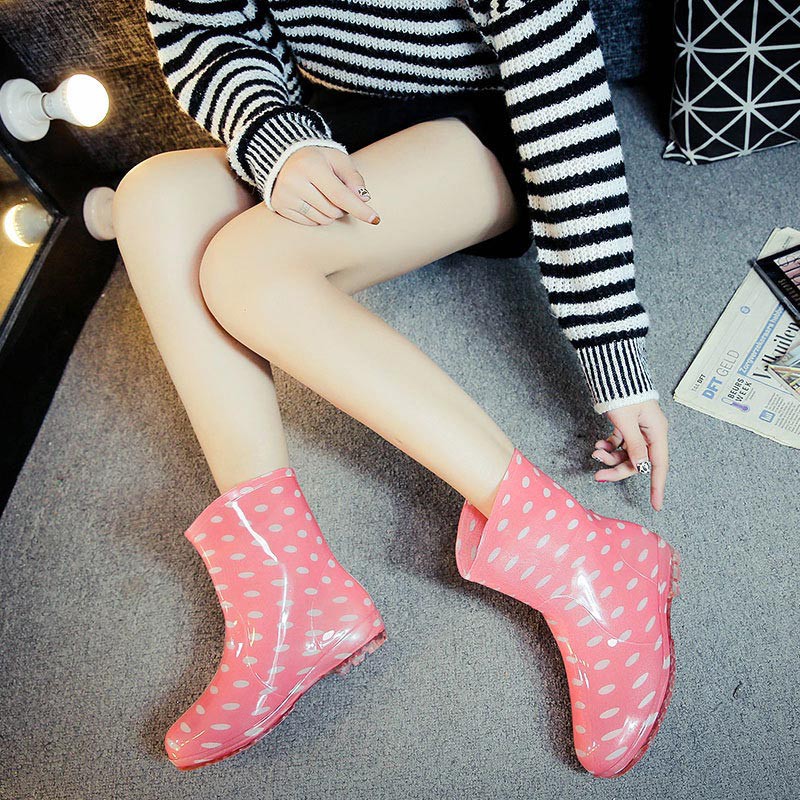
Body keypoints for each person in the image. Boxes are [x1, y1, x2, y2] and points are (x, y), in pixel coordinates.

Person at [112, 0, 678, 778]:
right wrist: (278, 138)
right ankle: (287, 593)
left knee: (241, 272)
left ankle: (586, 559)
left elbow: (558, 88)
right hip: (322, 118)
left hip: (481, 122)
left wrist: (614, 347)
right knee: (151, 195)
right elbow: (202, 30)